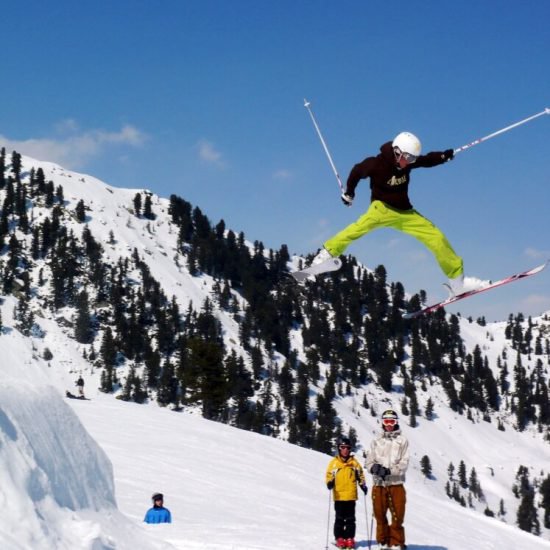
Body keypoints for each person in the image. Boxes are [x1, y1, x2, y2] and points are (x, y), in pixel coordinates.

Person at [311, 132, 488, 296]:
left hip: (406, 212)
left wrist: (443, 156)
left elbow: (426, 160)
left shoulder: (407, 162)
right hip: (381, 209)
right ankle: (325, 255)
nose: (410, 162)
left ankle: (457, 283)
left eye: (412, 159)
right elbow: (357, 171)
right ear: (397, 152)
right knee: (356, 229)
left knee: (436, 237)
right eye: (408, 158)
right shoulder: (376, 164)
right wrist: (350, 192)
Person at [365, 410, 409, 550]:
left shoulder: (402, 441)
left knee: (398, 515)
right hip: (379, 484)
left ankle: (396, 542)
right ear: (382, 422)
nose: (389, 425)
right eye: (386, 421)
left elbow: (404, 463)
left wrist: (390, 471)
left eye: (392, 421)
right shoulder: (376, 441)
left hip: (396, 483)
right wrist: (374, 468)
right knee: (379, 514)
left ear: (396, 422)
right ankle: (383, 542)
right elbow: (368, 461)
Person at [325, 437, 368, 549]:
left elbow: (360, 475)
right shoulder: (334, 463)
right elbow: (329, 475)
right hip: (339, 496)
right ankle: (339, 538)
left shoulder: (354, 463)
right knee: (339, 518)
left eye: (347, 448)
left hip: (350, 496)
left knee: (350, 519)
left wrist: (362, 484)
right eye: (342, 447)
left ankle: (349, 538)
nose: (345, 450)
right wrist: (329, 482)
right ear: (339, 449)